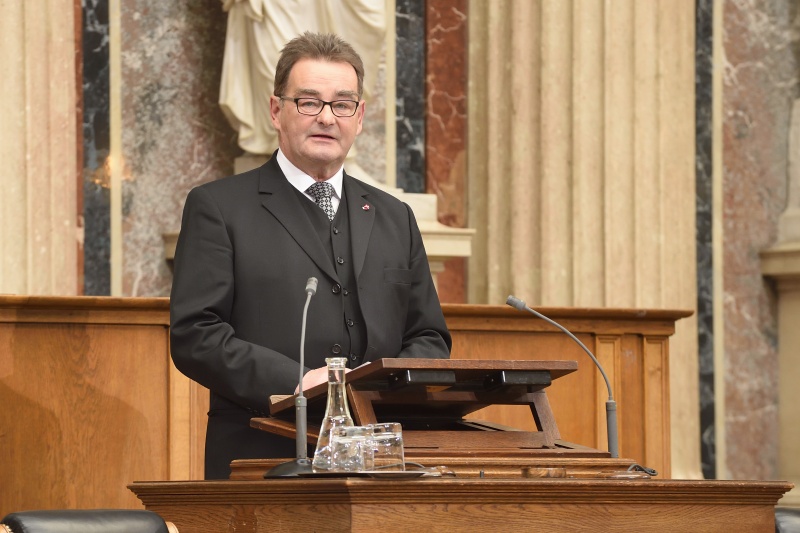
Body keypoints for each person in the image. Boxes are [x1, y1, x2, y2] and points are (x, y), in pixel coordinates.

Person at [169, 32, 452, 480]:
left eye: (342, 104)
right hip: (261, 456)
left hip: (381, 461)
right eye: (308, 102)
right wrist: (298, 381)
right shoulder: (219, 207)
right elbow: (195, 334)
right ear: (275, 110)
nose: (326, 117)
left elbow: (430, 337)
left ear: (359, 117)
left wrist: (381, 388)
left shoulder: (394, 216)